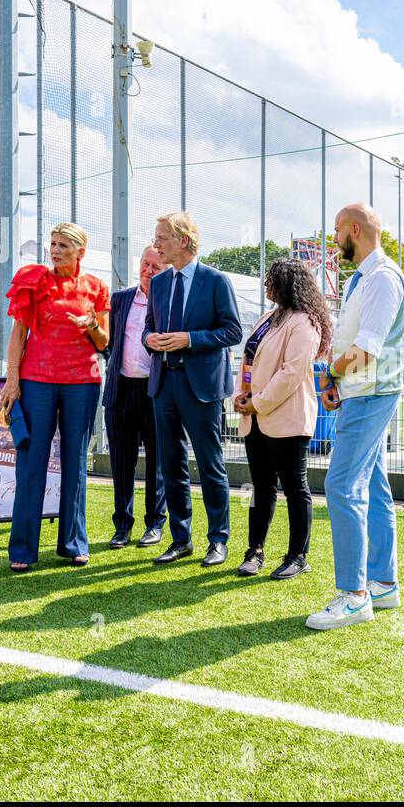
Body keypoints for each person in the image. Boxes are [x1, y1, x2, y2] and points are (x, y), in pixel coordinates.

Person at [306, 203, 404, 631]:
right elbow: (353, 343)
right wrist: (336, 382)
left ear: (354, 230)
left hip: (371, 392)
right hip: (361, 391)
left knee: (341, 485)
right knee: (376, 487)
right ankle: (382, 583)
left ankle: (354, 595)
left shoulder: (381, 279)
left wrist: (330, 373)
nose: (333, 240)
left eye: (335, 232)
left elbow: (367, 350)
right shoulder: (364, 277)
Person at [0, 223, 109, 571]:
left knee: (76, 462)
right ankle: (22, 549)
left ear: (80, 252)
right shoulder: (33, 280)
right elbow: (18, 335)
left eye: (63, 245)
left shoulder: (96, 287)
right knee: (31, 462)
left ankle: (74, 543)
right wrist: (12, 381)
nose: (55, 250)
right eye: (53, 244)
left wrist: (90, 324)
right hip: (37, 380)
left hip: (83, 381)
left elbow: (104, 342)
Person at [143, 211, 242, 567]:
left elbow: (232, 332)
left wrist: (189, 339)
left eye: (162, 238)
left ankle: (218, 540)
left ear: (183, 240)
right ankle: (180, 539)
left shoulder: (215, 281)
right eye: (155, 238)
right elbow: (148, 328)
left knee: (210, 465)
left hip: (201, 387)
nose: (156, 245)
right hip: (164, 384)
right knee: (170, 466)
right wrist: (150, 339)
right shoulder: (158, 283)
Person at [233, 258, 331, 580]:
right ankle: (255, 551)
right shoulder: (269, 317)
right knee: (262, 487)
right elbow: (249, 359)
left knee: (295, 487)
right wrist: (241, 396)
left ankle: (298, 555)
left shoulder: (305, 323)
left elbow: (292, 373)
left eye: (270, 280)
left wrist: (257, 403)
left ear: (287, 284)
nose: (265, 285)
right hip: (256, 418)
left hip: (286, 419)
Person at [103, 245, 168, 549]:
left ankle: (155, 524)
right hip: (121, 390)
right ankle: (122, 526)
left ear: (166, 270)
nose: (148, 270)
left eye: (156, 266)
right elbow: (108, 342)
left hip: (154, 391)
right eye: (145, 264)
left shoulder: (169, 301)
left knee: (157, 462)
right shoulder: (119, 299)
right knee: (121, 462)